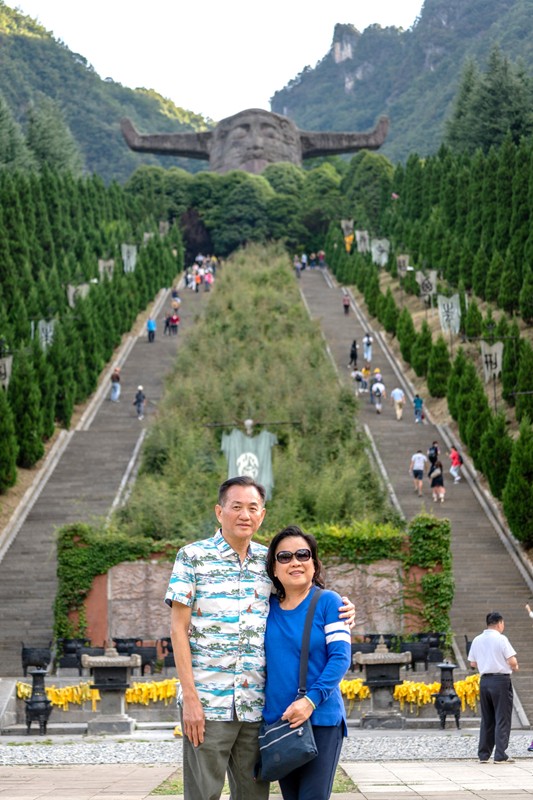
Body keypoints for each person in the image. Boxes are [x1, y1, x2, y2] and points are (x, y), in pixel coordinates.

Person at [164, 476, 355, 800]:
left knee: (253, 796)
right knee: (202, 795)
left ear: (262, 515)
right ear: (219, 511)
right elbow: (177, 629)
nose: (245, 515)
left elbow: (300, 599)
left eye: (252, 508)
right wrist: (191, 698)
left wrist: (343, 608)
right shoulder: (192, 557)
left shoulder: (269, 563)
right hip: (208, 704)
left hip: (256, 709)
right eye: (236, 507)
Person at [263, 525, 351, 800]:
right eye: (284, 557)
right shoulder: (265, 608)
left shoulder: (329, 602)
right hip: (280, 722)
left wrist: (309, 701)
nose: (295, 562)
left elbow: (340, 658)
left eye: (302, 554)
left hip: (320, 719)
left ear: (314, 563)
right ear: (274, 568)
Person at [468, 612, 518, 764]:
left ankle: (484, 755)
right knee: (502, 717)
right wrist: (515, 666)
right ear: (499, 623)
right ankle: (500, 755)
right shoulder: (501, 639)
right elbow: (512, 660)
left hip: (484, 681)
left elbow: (472, 663)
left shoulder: (477, 639)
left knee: (487, 719)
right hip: (500, 681)